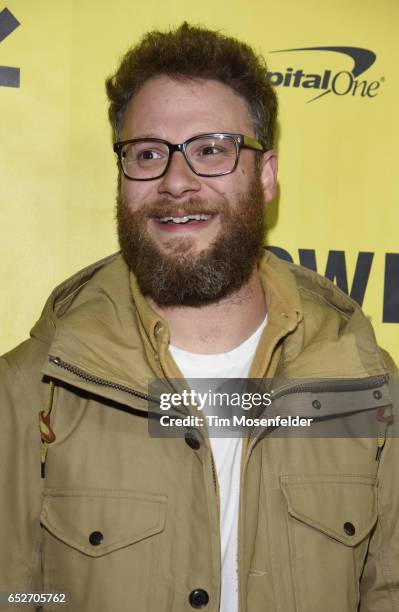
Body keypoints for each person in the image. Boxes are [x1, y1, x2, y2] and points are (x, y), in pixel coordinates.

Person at [0, 22, 398, 612]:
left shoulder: (363, 385)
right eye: (148, 153)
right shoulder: (30, 391)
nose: (176, 180)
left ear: (265, 176)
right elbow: (17, 595)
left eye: (212, 149)